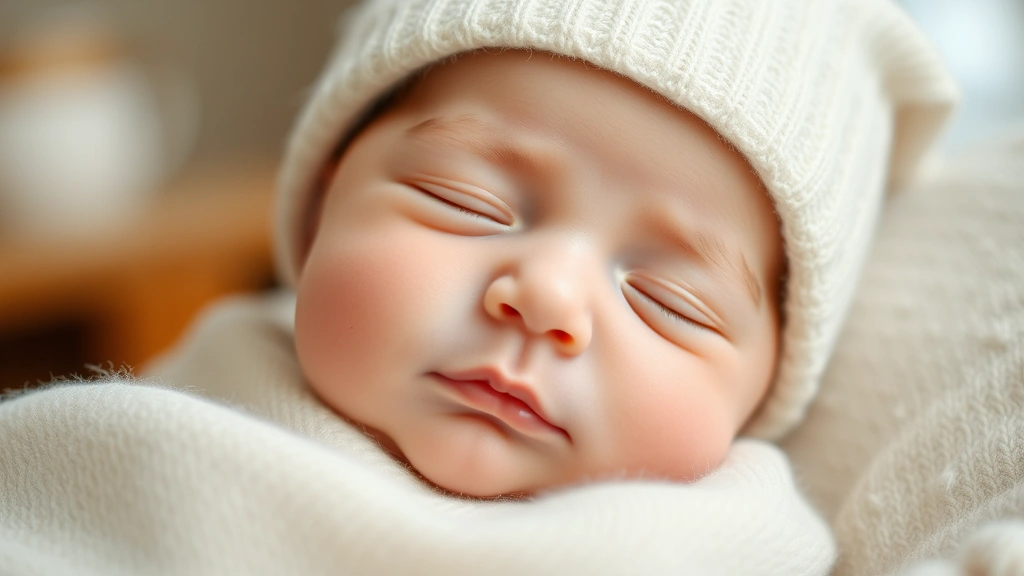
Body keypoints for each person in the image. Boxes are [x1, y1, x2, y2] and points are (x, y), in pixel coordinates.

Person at [0, 0, 957, 573]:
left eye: (672, 301)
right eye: (463, 201)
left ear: (767, 381)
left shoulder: (737, 539)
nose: (545, 298)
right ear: (329, 198)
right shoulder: (185, 409)